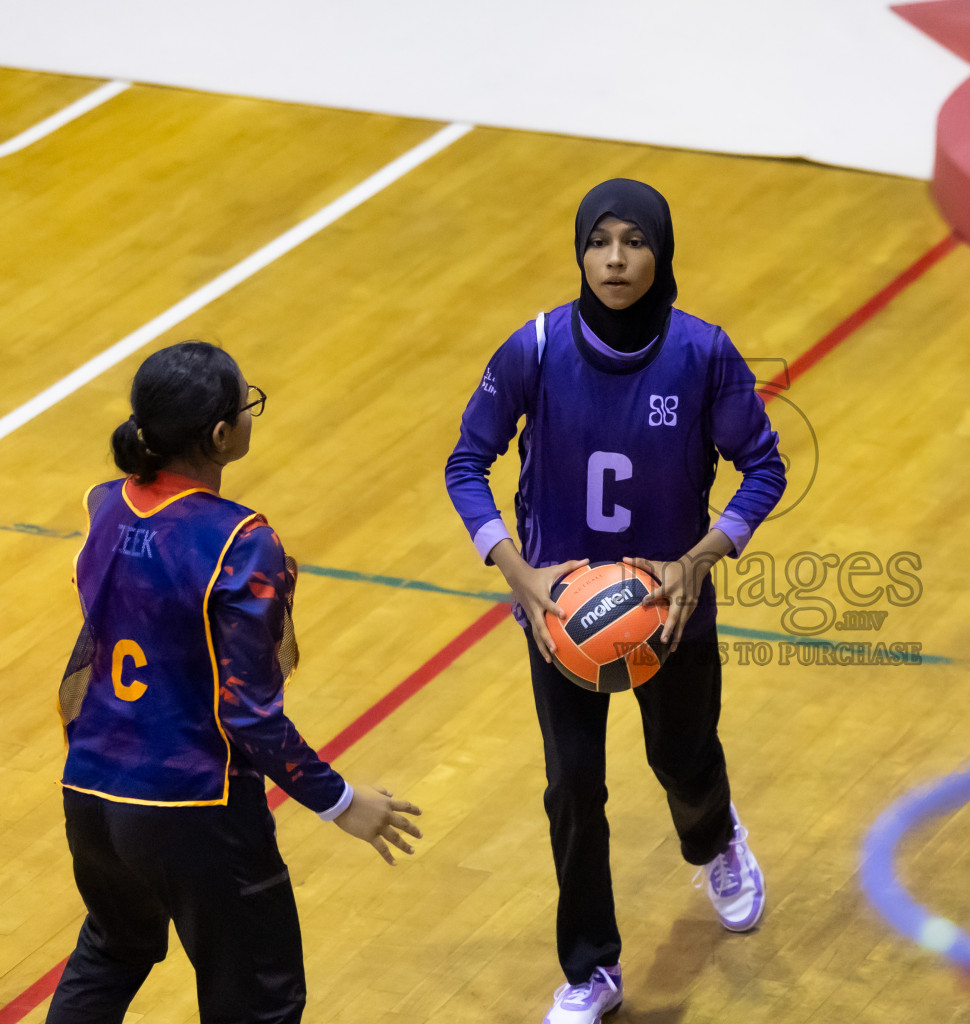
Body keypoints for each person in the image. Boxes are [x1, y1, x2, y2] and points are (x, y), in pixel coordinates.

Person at [445, 178, 787, 1024]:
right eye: (601, 242)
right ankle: (592, 969)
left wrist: (703, 556)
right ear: (580, 252)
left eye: (635, 242)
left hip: (667, 608)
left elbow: (766, 467)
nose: (616, 259)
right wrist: (515, 569)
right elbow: (466, 463)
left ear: (661, 253)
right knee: (572, 789)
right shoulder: (532, 348)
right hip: (560, 613)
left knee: (683, 758)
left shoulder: (704, 354)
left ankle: (716, 840)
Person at [49, 341, 422, 1024]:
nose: (252, 412)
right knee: (257, 1005)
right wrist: (339, 801)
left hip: (90, 793)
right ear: (221, 436)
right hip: (192, 806)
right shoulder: (242, 541)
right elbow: (248, 712)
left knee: (112, 951)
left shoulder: (104, 503)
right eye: (246, 403)